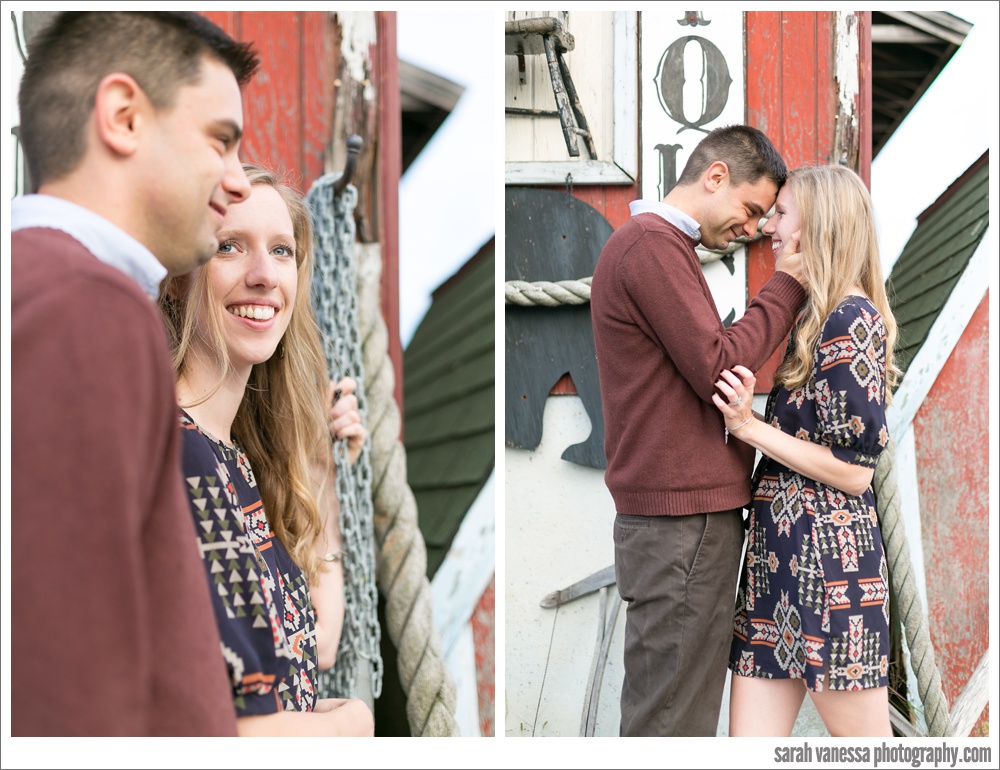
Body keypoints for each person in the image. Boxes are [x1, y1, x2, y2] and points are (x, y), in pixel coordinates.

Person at [11, 11, 258, 736]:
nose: (239, 180)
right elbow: (64, 682)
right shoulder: (86, 307)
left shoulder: (38, 290)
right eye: (221, 140)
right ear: (123, 117)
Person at [590, 124, 808, 737]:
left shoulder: (660, 248)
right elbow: (718, 367)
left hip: (680, 525)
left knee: (670, 712)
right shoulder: (650, 248)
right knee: (672, 726)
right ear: (715, 176)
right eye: (750, 209)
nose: (754, 229)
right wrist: (787, 285)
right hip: (682, 527)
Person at [159, 164, 374, 736]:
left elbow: (318, 644)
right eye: (230, 247)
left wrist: (321, 468)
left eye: (282, 252)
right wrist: (348, 727)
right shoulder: (179, 457)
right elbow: (221, 736)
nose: (264, 275)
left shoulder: (231, 458)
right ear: (178, 279)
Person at [714, 164, 899, 737]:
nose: (771, 224)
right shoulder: (813, 317)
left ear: (816, 225)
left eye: (783, 212)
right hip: (776, 565)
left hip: (832, 569)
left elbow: (853, 473)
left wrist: (749, 426)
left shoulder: (852, 319)